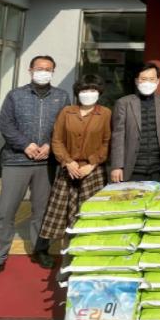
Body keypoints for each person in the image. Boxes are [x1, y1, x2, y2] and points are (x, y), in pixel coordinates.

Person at [0, 55, 70, 287]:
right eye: (39, 68)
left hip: (47, 162)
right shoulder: (15, 95)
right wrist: (25, 145)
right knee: (6, 211)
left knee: (42, 211)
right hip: (16, 160)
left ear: (53, 72)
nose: (43, 72)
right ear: (30, 70)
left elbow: (64, 127)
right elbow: (6, 124)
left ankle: (41, 249)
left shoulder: (61, 96)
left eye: (48, 69)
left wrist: (50, 145)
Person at [34, 74, 111, 258]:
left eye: (92, 90)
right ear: (77, 92)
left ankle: (88, 252)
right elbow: (57, 139)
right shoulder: (67, 112)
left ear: (99, 92)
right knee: (59, 212)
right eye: (84, 90)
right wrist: (67, 161)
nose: (88, 93)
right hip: (68, 169)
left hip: (92, 171)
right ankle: (55, 250)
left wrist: (92, 163)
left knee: (89, 212)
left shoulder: (106, 113)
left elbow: (107, 142)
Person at [110, 62, 160, 182]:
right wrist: (117, 166)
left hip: (158, 169)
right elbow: (118, 136)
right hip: (132, 168)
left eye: (152, 79)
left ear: (157, 81)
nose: (147, 82)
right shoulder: (124, 103)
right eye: (143, 79)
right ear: (136, 81)